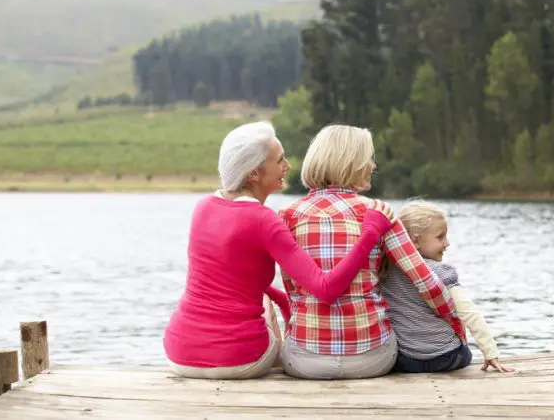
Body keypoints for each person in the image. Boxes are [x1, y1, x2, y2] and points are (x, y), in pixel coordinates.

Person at [163, 121, 395, 379]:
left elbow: (234, 280)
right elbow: (326, 289)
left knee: (253, 292)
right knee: (262, 300)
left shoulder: (203, 207)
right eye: (280, 160)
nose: (288, 166)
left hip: (179, 353)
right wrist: (370, 233)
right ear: (254, 174)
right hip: (238, 360)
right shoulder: (264, 220)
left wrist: (286, 305)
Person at [278, 124, 466, 380]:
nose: (373, 166)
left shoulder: (286, 217)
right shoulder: (379, 212)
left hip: (305, 361)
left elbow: (292, 291)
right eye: (369, 158)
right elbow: (426, 283)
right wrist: (455, 322)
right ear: (351, 162)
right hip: (372, 358)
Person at [381, 199, 514, 373]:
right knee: (464, 351)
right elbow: (469, 313)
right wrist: (491, 353)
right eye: (440, 237)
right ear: (416, 240)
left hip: (407, 361)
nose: (447, 243)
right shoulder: (441, 271)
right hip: (447, 358)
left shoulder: (385, 270)